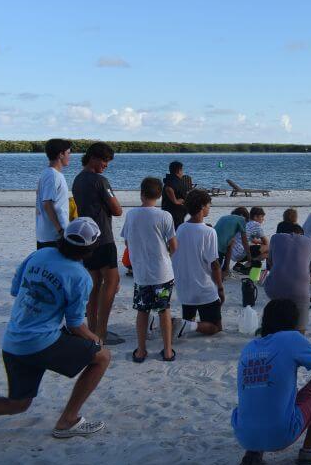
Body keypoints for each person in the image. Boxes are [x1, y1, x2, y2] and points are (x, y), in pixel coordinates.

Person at [0, 218, 112, 438]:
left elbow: (16, 290)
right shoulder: (81, 276)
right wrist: (96, 339)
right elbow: (75, 325)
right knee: (102, 356)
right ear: (91, 248)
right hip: (41, 343)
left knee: (18, 404)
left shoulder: (39, 254)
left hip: (13, 343)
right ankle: (68, 420)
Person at [232, 299, 311, 465]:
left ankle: (253, 454)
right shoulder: (291, 338)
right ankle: (310, 450)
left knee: (262, 389)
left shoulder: (249, 347)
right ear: (293, 322)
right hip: (281, 434)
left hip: (244, 435)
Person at [71, 141, 124, 346]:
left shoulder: (77, 180)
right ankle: (101, 331)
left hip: (87, 239)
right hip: (103, 237)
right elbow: (117, 210)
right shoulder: (100, 181)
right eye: (104, 160)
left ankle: (92, 327)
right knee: (111, 281)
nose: (106, 165)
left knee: (93, 285)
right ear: (93, 158)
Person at [122, 177, 178, 363]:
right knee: (164, 310)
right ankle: (168, 351)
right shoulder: (165, 216)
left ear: (141, 193)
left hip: (142, 272)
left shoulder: (131, 215)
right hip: (163, 271)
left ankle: (141, 351)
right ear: (160, 195)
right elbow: (173, 245)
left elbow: (127, 241)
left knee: (142, 311)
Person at [171, 189, 224, 337]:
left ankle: (185, 324)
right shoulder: (208, 232)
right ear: (202, 206)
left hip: (184, 287)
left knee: (189, 320)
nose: (209, 208)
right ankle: (186, 324)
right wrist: (220, 288)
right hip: (203, 288)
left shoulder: (180, 228)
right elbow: (214, 264)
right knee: (216, 327)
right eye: (208, 205)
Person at [264, 225, 311, 333]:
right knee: (300, 331)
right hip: (299, 293)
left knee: (278, 317)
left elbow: (271, 265)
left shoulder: (275, 238)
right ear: (301, 234)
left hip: (273, 290)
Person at [35, 138, 72, 249]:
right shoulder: (53, 175)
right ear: (61, 154)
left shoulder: (47, 173)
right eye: (68, 153)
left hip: (48, 234)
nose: (69, 156)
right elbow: (47, 203)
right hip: (53, 236)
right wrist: (60, 229)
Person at [214, 207, 251, 275]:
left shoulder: (224, 217)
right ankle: (224, 272)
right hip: (220, 246)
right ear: (243, 216)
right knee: (216, 273)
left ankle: (226, 269)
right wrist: (249, 258)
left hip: (212, 242)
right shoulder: (242, 220)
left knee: (231, 243)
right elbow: (245, 242)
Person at [161, 161, 188, 230]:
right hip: (174, 213)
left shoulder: (174, 179)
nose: (182, 172)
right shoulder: (172, 180)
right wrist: (175, 201)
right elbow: (168, 188)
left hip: (176, 213)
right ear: (179, 170)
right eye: (182, 170)